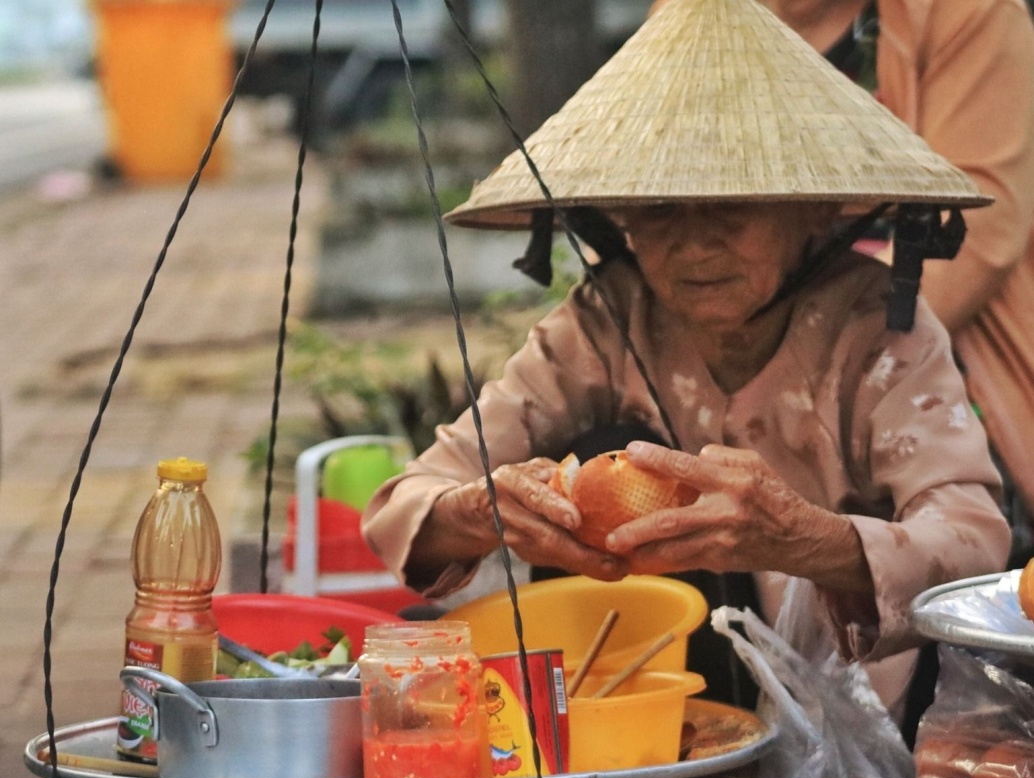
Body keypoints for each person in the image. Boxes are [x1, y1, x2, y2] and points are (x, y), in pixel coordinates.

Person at [362, 0, 1012, 729]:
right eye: (663, 208)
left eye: (734, 204)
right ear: (625, 218)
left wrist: (807, 538)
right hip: (671, 694)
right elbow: (411, 498)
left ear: (814, 208)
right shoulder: (609, 319)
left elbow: (973, 541)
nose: (696, 245)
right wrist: (483, 509)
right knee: (599, 456)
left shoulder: (878, 333)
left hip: (860, 706)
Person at [650, 0, 1034, 565]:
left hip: (913, 344)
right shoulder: (687, 10)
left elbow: (979, 228)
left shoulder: (968, 10)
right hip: (726, 345)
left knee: (936, 534)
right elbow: (642, 174)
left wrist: (803, 366)